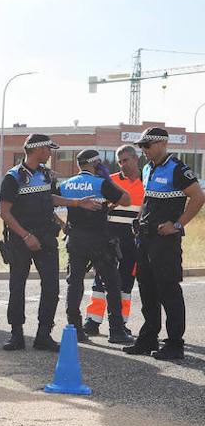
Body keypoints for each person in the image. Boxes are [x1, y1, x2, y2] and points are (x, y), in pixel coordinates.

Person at [0, 133, 102, 352]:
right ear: (37, 149)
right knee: (17, 287)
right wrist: (26, 236)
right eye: (47, 149)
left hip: (46, 237)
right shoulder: (13, 177)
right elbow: (5, 213)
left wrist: (76, 203)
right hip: (20, 239)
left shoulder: (47, 175)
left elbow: (51, 199)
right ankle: (16, 334)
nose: (50, 153)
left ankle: (43, 334)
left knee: (52, 286)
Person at [123, 128, 205, 360]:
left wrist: (177, 225)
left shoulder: (178, 168)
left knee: (168, 290)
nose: (143, 151)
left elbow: (198, 197)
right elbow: (148, 200)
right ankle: (148, 338)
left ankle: (174, 344)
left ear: (161, 144)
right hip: (146, 238)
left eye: (146, 146)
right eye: (141, 147)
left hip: (166, 240)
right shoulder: (148, 168)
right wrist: (138, 220)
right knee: (147, 289)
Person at [58, 150, 132, 343]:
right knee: (112, 284)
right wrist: (108, 180)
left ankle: (74, 329)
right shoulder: (101, 183)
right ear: (96, 163)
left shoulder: (67, 184)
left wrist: (62, 224)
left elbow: (46, 201)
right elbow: (126, 199)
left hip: (75, 240)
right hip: (99, 241)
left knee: (75, 284)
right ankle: (116, 331)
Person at [84, 145, 143, 338]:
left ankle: (121, 324)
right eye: (120, 161)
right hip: (109, 234)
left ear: (136, 159)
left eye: (126, 160)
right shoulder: (110, 181)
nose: (123, 165)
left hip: (133, 236)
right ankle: (92, 321)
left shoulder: (147, 181)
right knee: (101, 279)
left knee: (126, 282)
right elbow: (97, 208)